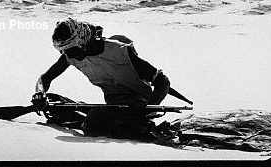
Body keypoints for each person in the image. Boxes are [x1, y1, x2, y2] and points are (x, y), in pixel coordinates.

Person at [32, 18, 171, 136]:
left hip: (137, 104)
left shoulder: (119, 51)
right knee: (52, 100)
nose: (67, 55)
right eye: (62, 51)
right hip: (113, 104)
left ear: (81, 41)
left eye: (69, 50)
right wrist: (39, 94)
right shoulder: (71, 55)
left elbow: (162, 81)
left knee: (95, 119)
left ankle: (137, 125)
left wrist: (149, 109)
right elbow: (45, 78)